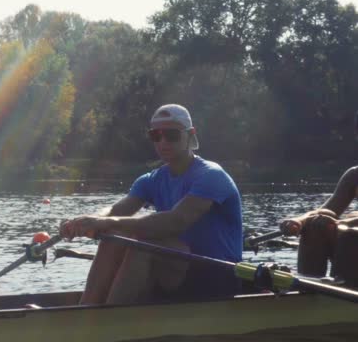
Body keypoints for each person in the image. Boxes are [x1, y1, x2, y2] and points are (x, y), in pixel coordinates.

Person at [60, 104, 242, 305]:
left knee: (142, 246)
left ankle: (110, 322)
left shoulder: (211, 175)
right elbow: (115, 211)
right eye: (156, 135)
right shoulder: (150, 180)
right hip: (178, 272)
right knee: (114, 236)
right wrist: (85, 221)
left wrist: (102, 222)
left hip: (218, 276)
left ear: (190, 134)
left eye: (171, 135)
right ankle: (87, 310)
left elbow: (175, 221)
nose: (163, 142)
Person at [279, 110, 358, 280]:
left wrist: (347, 221)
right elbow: (327, 210)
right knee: (317, 223)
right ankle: (308, 289)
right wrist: (299, 221)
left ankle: (341, 291)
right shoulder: (354, 175)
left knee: (350, 234)